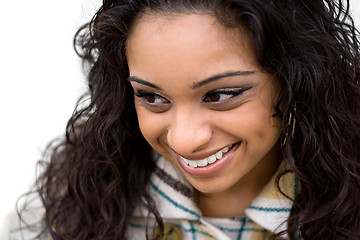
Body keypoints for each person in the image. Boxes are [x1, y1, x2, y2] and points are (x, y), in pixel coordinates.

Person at [18, 0, 360, 239]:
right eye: (152, 97)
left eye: (221, 95)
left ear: (295, 80)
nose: (184, 139)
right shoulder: (72, 201)